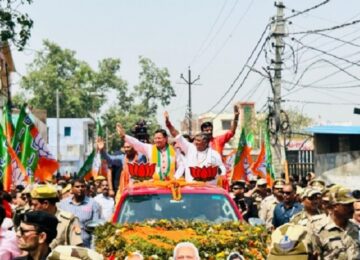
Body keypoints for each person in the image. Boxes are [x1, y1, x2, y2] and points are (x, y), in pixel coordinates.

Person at [165, 111, 226, 183]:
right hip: (192, 189)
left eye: (198, 141)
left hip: (209, 189)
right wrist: (168, 124)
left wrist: (216, 170)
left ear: (206, 143)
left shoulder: (214, 154)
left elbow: (222, 170)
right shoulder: (190, 148)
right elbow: (177, 135)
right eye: (195, 140)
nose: (195, 142)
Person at [308, 185, 360, 259]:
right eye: (347, 205)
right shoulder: (317, 229)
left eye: (352, 204)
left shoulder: (354, 228)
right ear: (335, 206)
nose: (352, 208)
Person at [30, 184, 83, 249]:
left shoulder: (68, 220)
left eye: (35, 205)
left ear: (45, 204)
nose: (32, 208)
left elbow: (77, 249)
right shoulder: (32, 219)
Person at [58, 179, 101, 248]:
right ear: (72, 189)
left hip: (85, 245)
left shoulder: (93, 204)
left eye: (82, 186)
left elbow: (95, 229)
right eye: (77, 187)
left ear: (85, 188)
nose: (80, 189)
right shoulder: (63, 204)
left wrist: (94, 248)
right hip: (67, 246)